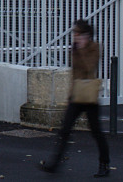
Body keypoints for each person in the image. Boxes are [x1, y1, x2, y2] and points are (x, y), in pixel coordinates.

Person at [40, 18, 112, 176]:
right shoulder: (74, 49)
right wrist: (70, 95)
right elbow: (75, 73)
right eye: (74, 33)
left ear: (85, 34)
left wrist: (83, 48)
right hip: (76, 95)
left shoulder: (95, 47)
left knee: (96, 132)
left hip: (89, 97)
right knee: (65, 130)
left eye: (78, 33)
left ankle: (104, 164)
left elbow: (89, 68)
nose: (75, 36)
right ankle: (54, 163)